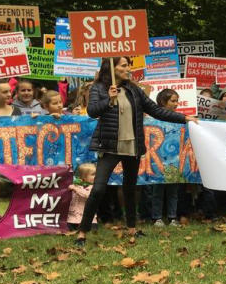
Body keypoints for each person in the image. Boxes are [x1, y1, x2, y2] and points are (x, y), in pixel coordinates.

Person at [75, 57, 196, 246]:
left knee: (130, 189)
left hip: (132, 147)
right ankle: (82, 232)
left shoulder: (133, 89)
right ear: (112, 68)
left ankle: (131, 228)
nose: (128, 68)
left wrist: (184, 118)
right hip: (110, 147)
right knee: (98, 189)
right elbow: (92, 111)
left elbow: (156, 110)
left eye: (128, 65)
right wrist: (109, 99)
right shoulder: (99, 87)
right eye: (124, 65)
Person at [148, 89, 181, 227]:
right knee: (157, 190)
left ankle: (172, 217)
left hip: (174, 159)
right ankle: (157, 217)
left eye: (177, 101)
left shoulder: (179, 117)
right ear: (163, 102)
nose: (176, 104)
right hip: (158, 160)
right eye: (173, 101)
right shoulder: (153, 119)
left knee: (173, 190)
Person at [67, 163, 97, 230]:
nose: (96, 176)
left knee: (91, 228)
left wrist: (76, 189)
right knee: (67, 227)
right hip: (72, 217)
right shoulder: (75, 185)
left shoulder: (94, 187)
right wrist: (69, 189)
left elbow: (88, 195)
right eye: (93, 174)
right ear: (84, 177)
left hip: (89, 219)